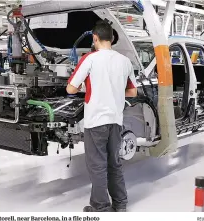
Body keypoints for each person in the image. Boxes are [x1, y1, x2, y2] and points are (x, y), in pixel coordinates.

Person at [66, 20, 138, 212]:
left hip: (96, 121)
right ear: (113, 39)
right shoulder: (125, 61)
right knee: (114, 163)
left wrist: (85, 87)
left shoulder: (90, 59)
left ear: (95, 38)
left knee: (97, 165)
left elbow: (70, 88)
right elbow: (132, 92)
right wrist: (113, 90)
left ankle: (100, 207)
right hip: (116, 121)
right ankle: (120, 204)